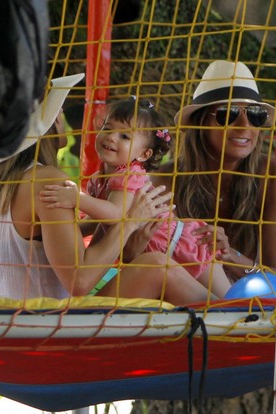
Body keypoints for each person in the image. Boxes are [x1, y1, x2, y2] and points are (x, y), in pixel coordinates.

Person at [0, 74, 217, 305]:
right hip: (42, 326)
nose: (62, 120)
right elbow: (79, 281)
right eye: (58, 113)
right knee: (157, 265)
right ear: (48, 125)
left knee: (154, 261)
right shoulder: (47, 180)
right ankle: (232, 317)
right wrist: (129, 223)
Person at [39, 98, 232, 298]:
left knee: (227, 302)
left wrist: (76, 198)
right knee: (203, 305)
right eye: (107, 128)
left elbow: (116, 215)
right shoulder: (101, 178)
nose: (112, 137)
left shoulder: (129, 175)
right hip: (158, 251)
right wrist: (65, 230)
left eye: (124, 136)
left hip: (182, 243)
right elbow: (100, 221)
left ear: (143, 154)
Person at [145, 60, 276, 288]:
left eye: (255, 115)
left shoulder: (273, 174)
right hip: (184, 292)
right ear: (200, 122)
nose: (244, 126)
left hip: (252, 298)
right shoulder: (165, 180)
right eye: (228, 114)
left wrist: (229, 255)